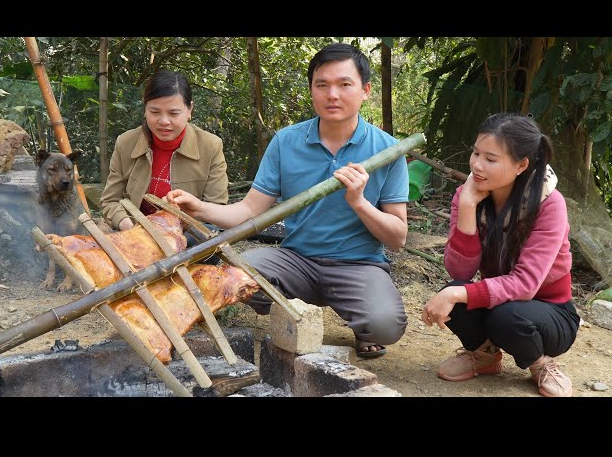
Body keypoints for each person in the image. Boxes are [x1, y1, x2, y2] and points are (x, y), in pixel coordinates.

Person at [167, 43, 410, 359]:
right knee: (238, 271)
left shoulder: (387, 150)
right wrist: (199, 208)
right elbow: (251, 209)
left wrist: (359, 202)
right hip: (297, 261)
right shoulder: (287, 141)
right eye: (322, 85)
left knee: (385, 325)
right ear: (311, 90)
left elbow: (398, 238)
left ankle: (363, 326)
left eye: (344, 84)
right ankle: (291, 311)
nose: (332, 94)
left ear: (365, 91)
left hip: (359, 264)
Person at [421, 113, 579, 397]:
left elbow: (526, 284)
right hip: (499, 301)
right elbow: (460, 272)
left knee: (505, 314)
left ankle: (540, 364)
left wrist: (457, 295)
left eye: (490, 159)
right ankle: (485, 355)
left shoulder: (549, 203)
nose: (477, 165)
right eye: (476, 153)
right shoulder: (468, 194)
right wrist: (468, 208)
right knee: (455, 290)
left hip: (550, 313)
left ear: (521, 165)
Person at [100, 69, 228, 256]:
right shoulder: (126, 143)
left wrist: (175, 233)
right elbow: (110, 201)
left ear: (189, 110)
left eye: (173, 113)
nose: (164, 121)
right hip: (135, 237)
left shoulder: (210, 146)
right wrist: (130, 227)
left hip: (186, 240)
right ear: (145, 109)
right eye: (155, 112)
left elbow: (215, 210)